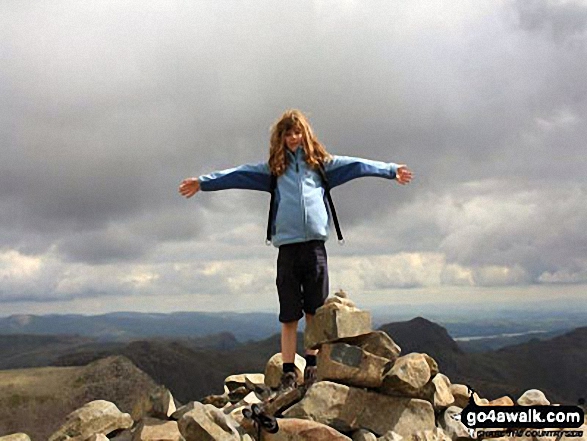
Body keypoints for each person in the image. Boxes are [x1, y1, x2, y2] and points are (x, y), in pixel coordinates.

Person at [179, 109, 413, 391]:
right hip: (287, 249)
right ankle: (289, 371)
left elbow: (357, 165)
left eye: (297, 132)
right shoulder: (273, 171)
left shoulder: (322, 166)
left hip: (315, 247)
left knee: (314, 312)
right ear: (281, 137)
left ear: (306, 134)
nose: (293, 137)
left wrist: (390, 170)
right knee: (289, 315)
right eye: (287, 133)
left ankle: (312, 366)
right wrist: (203, 183)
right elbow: (238, 175)